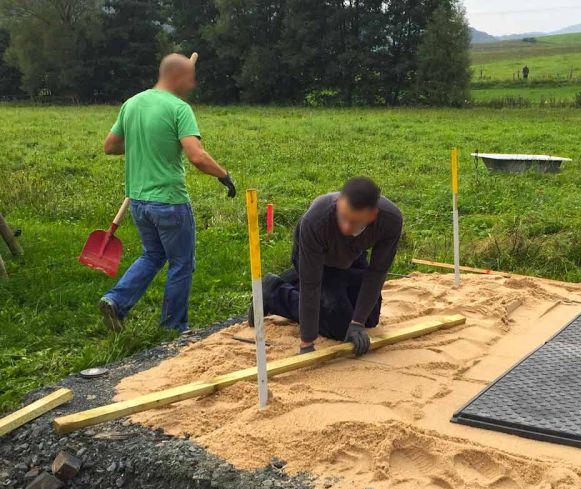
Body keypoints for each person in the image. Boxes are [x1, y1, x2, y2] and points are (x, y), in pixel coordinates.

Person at [99, 53, 236, 333]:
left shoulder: (132, 103)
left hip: (139, 203)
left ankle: (116, 300)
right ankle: (173, 328)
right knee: (181, 264)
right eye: (191, 78)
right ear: (178, 77)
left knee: (152, 255)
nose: (193, 84)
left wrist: (144, 143)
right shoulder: (179, 108)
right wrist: (224, 175)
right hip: (170, 203)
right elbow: (197, 157)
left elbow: (110, 146)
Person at [251, 177, 403, 356]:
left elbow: (377, 272)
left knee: (369, 319)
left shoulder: (390, 221)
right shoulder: (315, 221)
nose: (346, 227)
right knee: (339, 326)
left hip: (352, 257)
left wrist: (358, 323)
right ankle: (274, 292)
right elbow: (311, 285)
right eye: (343, 217)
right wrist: (307, 342)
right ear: (339, 203)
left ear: (372, 215)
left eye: (354, 222)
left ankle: (293, 278)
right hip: (316, 260)